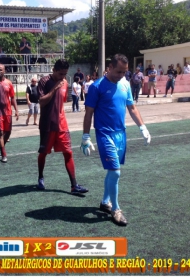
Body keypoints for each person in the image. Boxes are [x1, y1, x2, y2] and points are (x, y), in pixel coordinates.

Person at [82, 53, 151, 226]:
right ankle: (116, 209)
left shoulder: (125, 84)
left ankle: (105, 202)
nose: (122, 75)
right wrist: (85, 136)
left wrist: (143, 127)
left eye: (125, 72)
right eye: (119, 71)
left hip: (121, 133)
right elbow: (89, 113)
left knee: (112, 171)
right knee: (116, 171)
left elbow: (132, 108)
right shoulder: (96, 87)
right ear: (110, 67)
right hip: (104, 134)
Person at [37, 59, 88, 194]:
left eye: (65, 74)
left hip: (62, 125)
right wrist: (54, 88)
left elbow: (62, 101)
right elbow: (41, 102)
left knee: (68, 153)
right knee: (43, 153)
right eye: (60, 74)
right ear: (53, 70)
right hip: (47, 125)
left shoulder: (65, 82)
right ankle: (40, 177)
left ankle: (74, 185)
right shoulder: (44, 81)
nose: (63, 77)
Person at [0, 64, 19, 163]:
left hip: (8, 112)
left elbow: (13, 97)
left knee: (8, 132)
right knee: (0, 132)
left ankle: (2, 145)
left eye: (1, 70)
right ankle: (3, 154)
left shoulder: (9, 83)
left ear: (4, 71)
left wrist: (16, 110)